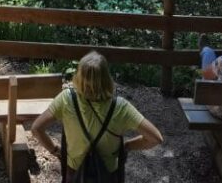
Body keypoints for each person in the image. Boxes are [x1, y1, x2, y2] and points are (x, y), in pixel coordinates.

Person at [31, 51, 163, 182]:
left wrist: (55, 150)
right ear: (106, 79)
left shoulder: (66, 99)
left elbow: (36, 128)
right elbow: (155, 138)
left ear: (79, 76)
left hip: (75, 174)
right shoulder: (120, 107)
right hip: (107, 175)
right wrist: (128, 145)